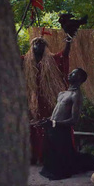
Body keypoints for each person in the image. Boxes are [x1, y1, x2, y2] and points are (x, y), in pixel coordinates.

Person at [38, 68, 94, 180]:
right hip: (52, 130)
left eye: (73, 73)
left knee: (62, 167)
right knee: (51, 161)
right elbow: (55, 115)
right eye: (71, 72)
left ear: (80, 78)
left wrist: (54, 123)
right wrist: (46, 121)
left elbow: (74, 120)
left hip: (61, 132)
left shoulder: (76, 96)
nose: (69, 74)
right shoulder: (62, 93)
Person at [22, 34, 71, 165]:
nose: (38, 46)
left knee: (47, 125)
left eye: (41, 44)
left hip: (47, 100)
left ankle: (46, 156)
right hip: (32, 99)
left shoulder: (51, 60)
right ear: (32, 46)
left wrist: (68, 42)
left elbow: (63, 56)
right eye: (36, 44)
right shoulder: (25, 60)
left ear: (45, 47)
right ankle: (32, 156)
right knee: (32, 126)